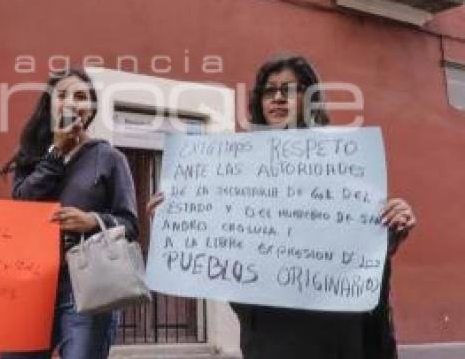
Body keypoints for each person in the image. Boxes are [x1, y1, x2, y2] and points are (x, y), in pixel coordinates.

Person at [148, 54, 416, 359]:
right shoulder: (235, 166)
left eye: (290, 89)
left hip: (333, 326)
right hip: (269, 324)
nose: (277, 98)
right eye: (268, 90)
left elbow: (364, 241)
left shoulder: (344, 160)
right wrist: (175, 217)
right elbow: (218, 237)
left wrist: (394, 225)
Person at [2, 68, 138, 359]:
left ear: (90, 109)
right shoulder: (31, 155)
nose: (71, 102)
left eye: (80, 96)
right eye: (62, 95)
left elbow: (130, 224)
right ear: (50, 105)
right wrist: (55, 152)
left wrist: (93, 221)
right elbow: (21, 205)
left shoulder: (110, 158)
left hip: (86, 284)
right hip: (32, 281)